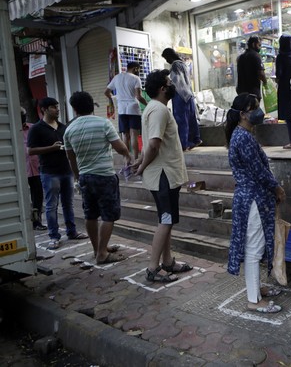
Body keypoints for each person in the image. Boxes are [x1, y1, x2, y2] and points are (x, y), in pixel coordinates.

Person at [225, 93, 286, 313]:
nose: (259, 111)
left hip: (251, 198)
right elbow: (259, 171)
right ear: (242, 114)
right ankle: (253, 300)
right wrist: (277, 188)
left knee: (255, 247)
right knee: (253, 249)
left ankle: (257, 287)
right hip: (252, 200)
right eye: (254, 108)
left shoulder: (242, 135)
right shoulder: (243, 137)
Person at [132, 69, 193, 282]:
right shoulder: (158, 110)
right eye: (169, 82)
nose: (172, 85)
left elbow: (150, 143)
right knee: (166, 221)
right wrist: (141, 167)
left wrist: (140, 162)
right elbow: (154, 144)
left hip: (162, 174)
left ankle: (168, 262)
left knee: (165, 220)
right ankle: (152, 268)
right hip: (163, 175)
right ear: (161, 88)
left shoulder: (152, 108)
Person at [63, 91, 131, 264]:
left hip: (85, 177)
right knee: (108, 215)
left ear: (74, 108)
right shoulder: (103, 123)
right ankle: (102, 253)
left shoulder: (69, 130)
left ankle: (97, 249)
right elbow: (119, 147)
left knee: (90, 215)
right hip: (104, 176)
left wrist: (78, 178)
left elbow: (71, 159)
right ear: (92, 105)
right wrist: (127, 155)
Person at [27, 97, 87, 250]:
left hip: (66, 170)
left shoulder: (63, 127)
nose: (57, 109)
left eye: (57, 107)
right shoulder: (37, 128)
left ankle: (72, 231)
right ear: (44, 109)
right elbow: (31, 150)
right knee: (51, 205)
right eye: (53, 107)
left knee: (68, 204)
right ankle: (54, 236)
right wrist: (51, 148)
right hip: (49, 172)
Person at [104, 61, 148, 160]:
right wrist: (148, 104)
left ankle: (126, 159)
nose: (138, 72)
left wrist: (114, 98)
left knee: (125, 134)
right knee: (134, 135)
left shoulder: (117, 77)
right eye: (138, 69)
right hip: (133, 108)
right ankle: (136, 158)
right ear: (135, 68)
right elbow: (138, 96)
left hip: (122, 109)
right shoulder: (136, 78)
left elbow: (106, 92)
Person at [161, 48, 202, 152]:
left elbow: (177, 81)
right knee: (191, 118)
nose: (166, 61)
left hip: (180, 95)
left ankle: (183, 144)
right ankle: (195, 139)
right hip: (189, 94)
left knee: (181, 120)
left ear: (169, 56)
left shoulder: (175, 65)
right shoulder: (183, 64)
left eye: (166, 58)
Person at [21, 108, 46, 231]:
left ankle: (37, 221)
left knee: (38, 196)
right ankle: (24, 222)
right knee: (22, 197)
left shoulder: (33, 128)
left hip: (36, 168)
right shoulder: (10, 130)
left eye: (23, 115)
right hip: (21, 170)